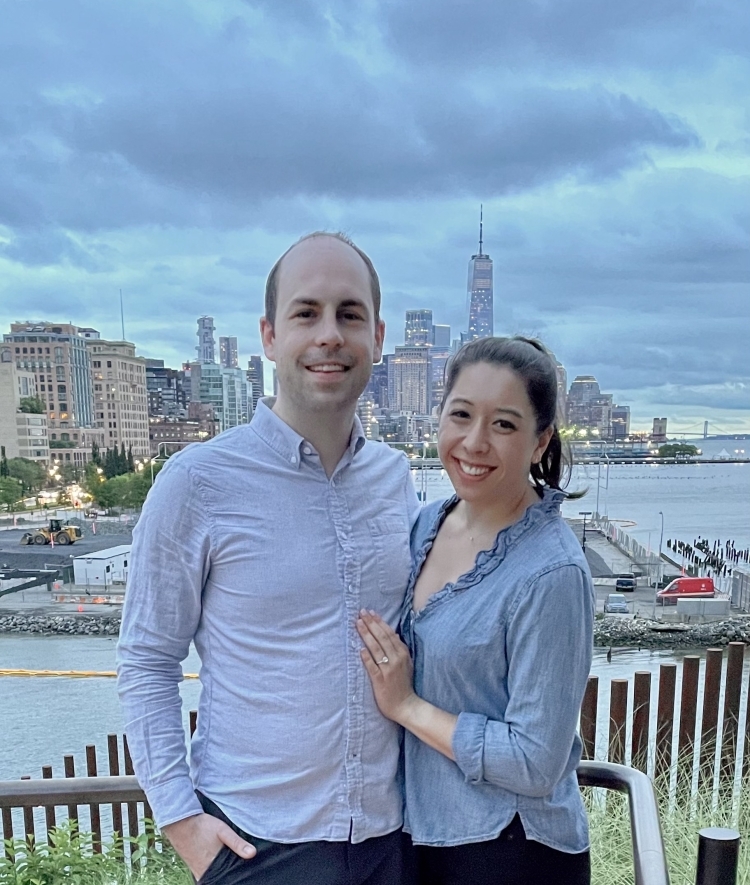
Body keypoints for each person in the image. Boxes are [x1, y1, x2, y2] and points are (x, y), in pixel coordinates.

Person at [117, 232, 420, 885]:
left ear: (378, 335)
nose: (329, 334)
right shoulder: (196, 482)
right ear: (269, 335)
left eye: (350, 314)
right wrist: (183, 823)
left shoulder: (397, 478)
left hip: (390, 842)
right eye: (306, 313)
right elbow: (147, 659)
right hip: (258, 848)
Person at [357, 336, 595, 885]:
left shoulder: (550, 574)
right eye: (460, 415)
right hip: (425, 836)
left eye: (504, 425)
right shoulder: (427, 523)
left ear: (541, 443)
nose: (474, 442)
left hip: (511, 852)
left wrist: (407, 706)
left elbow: (536, 761)